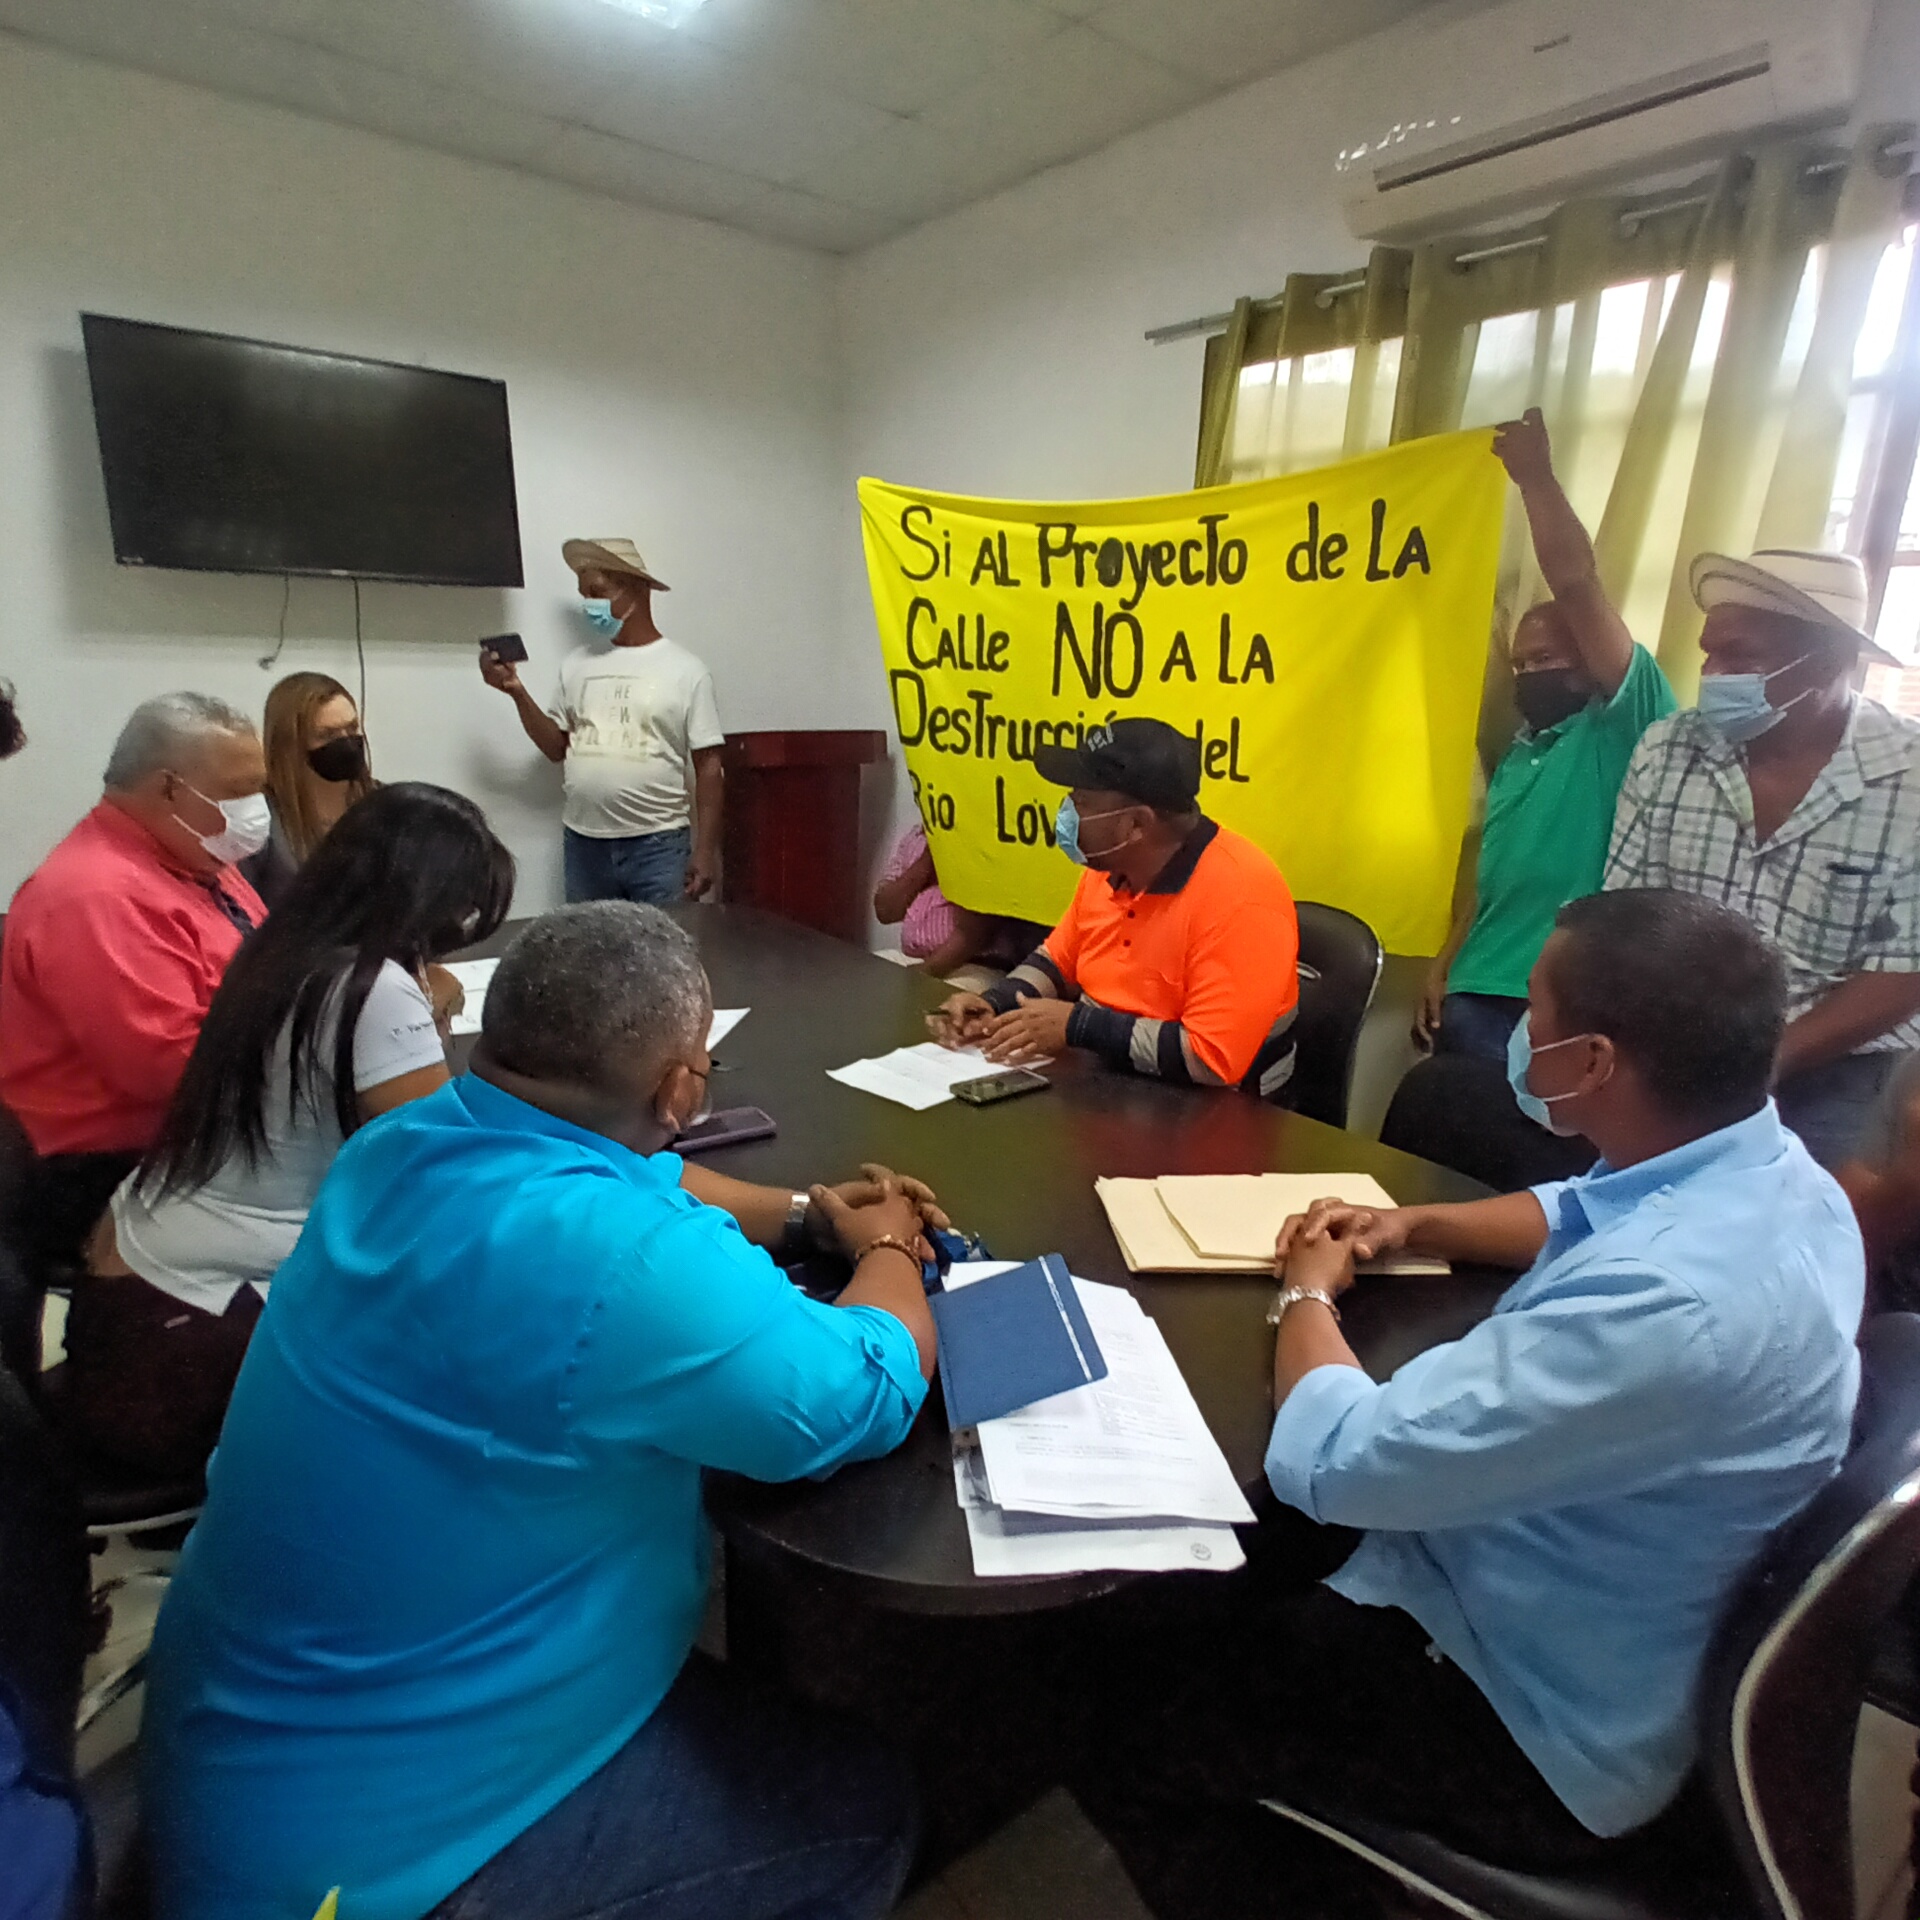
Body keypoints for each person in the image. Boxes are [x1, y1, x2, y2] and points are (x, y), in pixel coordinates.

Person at [143, 901, 944, 1920]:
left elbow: (644, 1176)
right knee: (864, 1807)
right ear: (682, 1088)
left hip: (240, 1748)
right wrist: (887, 1245)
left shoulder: (397, 1148)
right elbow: (865, 1385)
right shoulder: (627, 1261)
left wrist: (802, 1213)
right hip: (364, 1868)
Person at [1075, 889, 1862, 1919]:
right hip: (1595, 1600)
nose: (1520, 1027)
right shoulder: (1786, 1181)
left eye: (1536, 1007)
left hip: (1524, 1714)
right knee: (1195, 1579)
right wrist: (1416, 1226)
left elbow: (1338, 1462)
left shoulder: (1666, 1309)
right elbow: (1589, 1208)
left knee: (1122, 1728)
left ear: (1593, 1062)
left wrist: (1306, 1293)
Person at [63, 784, 514, 1481]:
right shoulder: (370, 988)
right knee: (482, 1342)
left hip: (127, 1299)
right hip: (181, 1347)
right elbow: (441, 1174)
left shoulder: (281, 950)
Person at [1607, 547, 1920, 1167]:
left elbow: (1906, 968)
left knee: (1808, 1209)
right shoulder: (1669, 750)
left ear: (1827, 660)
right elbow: (1625, 915)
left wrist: (1766, 1060)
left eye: (1739, 657)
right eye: (1709, 653)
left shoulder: (1909, 779)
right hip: (1683, 1046)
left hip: (1845, 1060)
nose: (1713, 674)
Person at [1417, 409, 1675, 1058]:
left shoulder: (1627, 726)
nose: (1530, 675)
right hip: (1474, 990)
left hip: (1561, 1004)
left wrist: (1535, 480)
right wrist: (1446, 963)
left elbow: (1576, 582)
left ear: (1589, 658)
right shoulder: (1519, 753)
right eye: (1520, 665)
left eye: (1547, 659)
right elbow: (1497, 883)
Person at [0, 693, 267, 1272]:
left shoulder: (199, 864)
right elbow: (169, 1070)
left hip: (207, 1139)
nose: (255, 810)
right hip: (116, 1167)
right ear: (169, 788)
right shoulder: (93, 895)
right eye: (239, 792)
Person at [927, 719, 1301, 1097]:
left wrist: (1077, 1026)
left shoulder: (1242, 897)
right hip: (1111, 1080)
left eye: (1081, 802)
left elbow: (1209, 1059)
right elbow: (1057, 960)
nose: (1066, 812)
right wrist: (994, 1004)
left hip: (1217, 1106)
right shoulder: (1113, 869)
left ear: (1135, 824)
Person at [481, 538, 724, 904]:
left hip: (658, 847)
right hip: (584, 847)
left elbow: (709, 768)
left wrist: (705, 851)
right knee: (588, 941)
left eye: (597, 592)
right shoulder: (576, 665)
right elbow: (555, 748)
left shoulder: (686, 671)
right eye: (584, 595)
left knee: (661, 941)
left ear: (637, 589)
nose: (589, 605)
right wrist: (515, 691)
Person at [240, 670, 374, 910]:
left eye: (352, 728)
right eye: (327, 735)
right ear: (290, 744)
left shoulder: (385, 803)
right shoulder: (259, 820)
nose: (346, 741)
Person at [873, 816, 1039, 976]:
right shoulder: (917, 836)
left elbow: (976, 934)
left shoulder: (985, 839)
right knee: (869, 972)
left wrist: (922, 974)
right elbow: (885, 912)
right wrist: (928, 856)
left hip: (974, 965)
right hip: (912, 957)